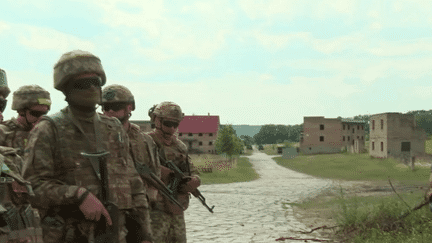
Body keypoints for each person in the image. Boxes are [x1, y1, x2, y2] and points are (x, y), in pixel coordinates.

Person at [22, 50, 153, 243]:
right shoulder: (49, 130)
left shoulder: (113, 128)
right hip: (69, 235)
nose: (92, 88)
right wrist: (77, 195)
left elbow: (134, 184)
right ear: (66, 89)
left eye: (96, 82)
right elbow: (32, 186)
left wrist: (144, 234)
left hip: (116, 234)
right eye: (82, 84)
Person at [101, 84, 159, 242]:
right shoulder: (96, 137)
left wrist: (149, 199)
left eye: (116, 107)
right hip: (108, 210)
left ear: (129, 108)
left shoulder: (144, 140)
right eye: (106, 107)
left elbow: (154, 173)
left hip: (139, 208)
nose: (110, 111)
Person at [147, 101, 201, 243]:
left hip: (176, 205)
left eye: (175, 125)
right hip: (154, 208)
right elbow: (139, 168)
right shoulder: (146, 142)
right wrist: (165, 174)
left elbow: (191, 169)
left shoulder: (180, 146)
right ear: (156, 120)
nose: (171, 128)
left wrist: (194, 180)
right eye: (167, 123)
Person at [0, 85, 51, 158]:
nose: (40, 118)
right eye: (36, 114)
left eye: (44, 114)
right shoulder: (3, 132)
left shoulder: (45, 134)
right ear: (21, 111)